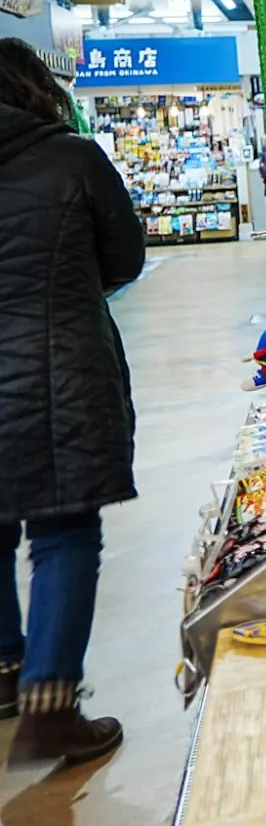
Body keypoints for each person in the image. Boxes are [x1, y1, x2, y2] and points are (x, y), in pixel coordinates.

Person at [0, 38, 143, 766]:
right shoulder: (74, 158)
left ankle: (3, 668)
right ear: (35, 88)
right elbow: (125, 259)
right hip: (58, 367)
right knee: (63, 531)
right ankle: (50, 705)